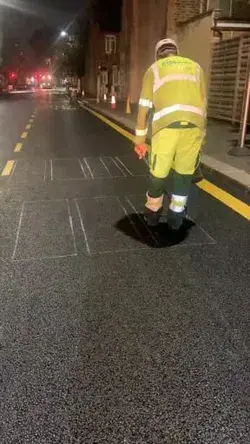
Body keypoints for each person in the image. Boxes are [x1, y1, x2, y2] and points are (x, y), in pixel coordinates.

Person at [134, 38, 207, 229]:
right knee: (184, 174)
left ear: (158, 55)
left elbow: (144, 107)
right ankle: (176, 217)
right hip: (194, 126)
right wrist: (202, 139)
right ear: (176, 52)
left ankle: (153, 211)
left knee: (158, 174)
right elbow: (203, 103)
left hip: (166, 128)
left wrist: (140, 140)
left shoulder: (155, 69)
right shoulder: (196, 67)